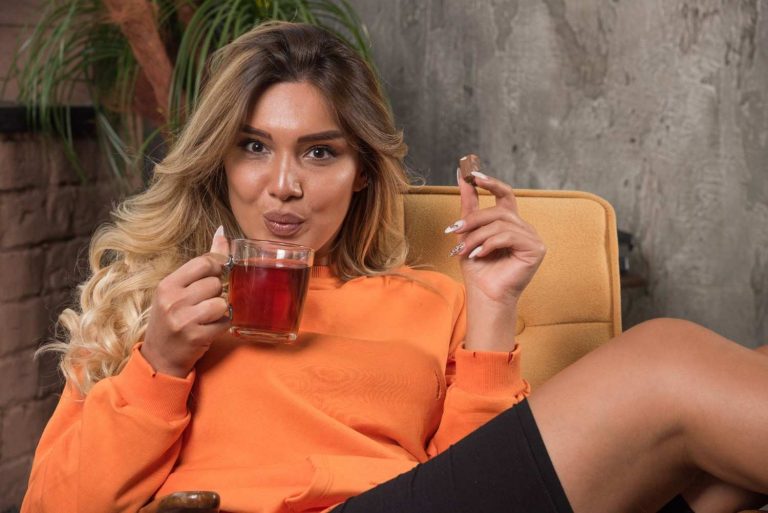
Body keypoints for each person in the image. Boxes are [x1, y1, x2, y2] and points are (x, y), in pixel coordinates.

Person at [21, 21, 768, 513]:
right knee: (665, 361)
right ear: (219, 163)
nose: (283, 183)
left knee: (725, 447)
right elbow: (54, 506)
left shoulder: (426, 300)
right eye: (253, 146)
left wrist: (492, 308)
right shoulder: (156, 302)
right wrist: (161, 364)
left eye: (319, 151)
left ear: (363, 173)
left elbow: (490, 487)